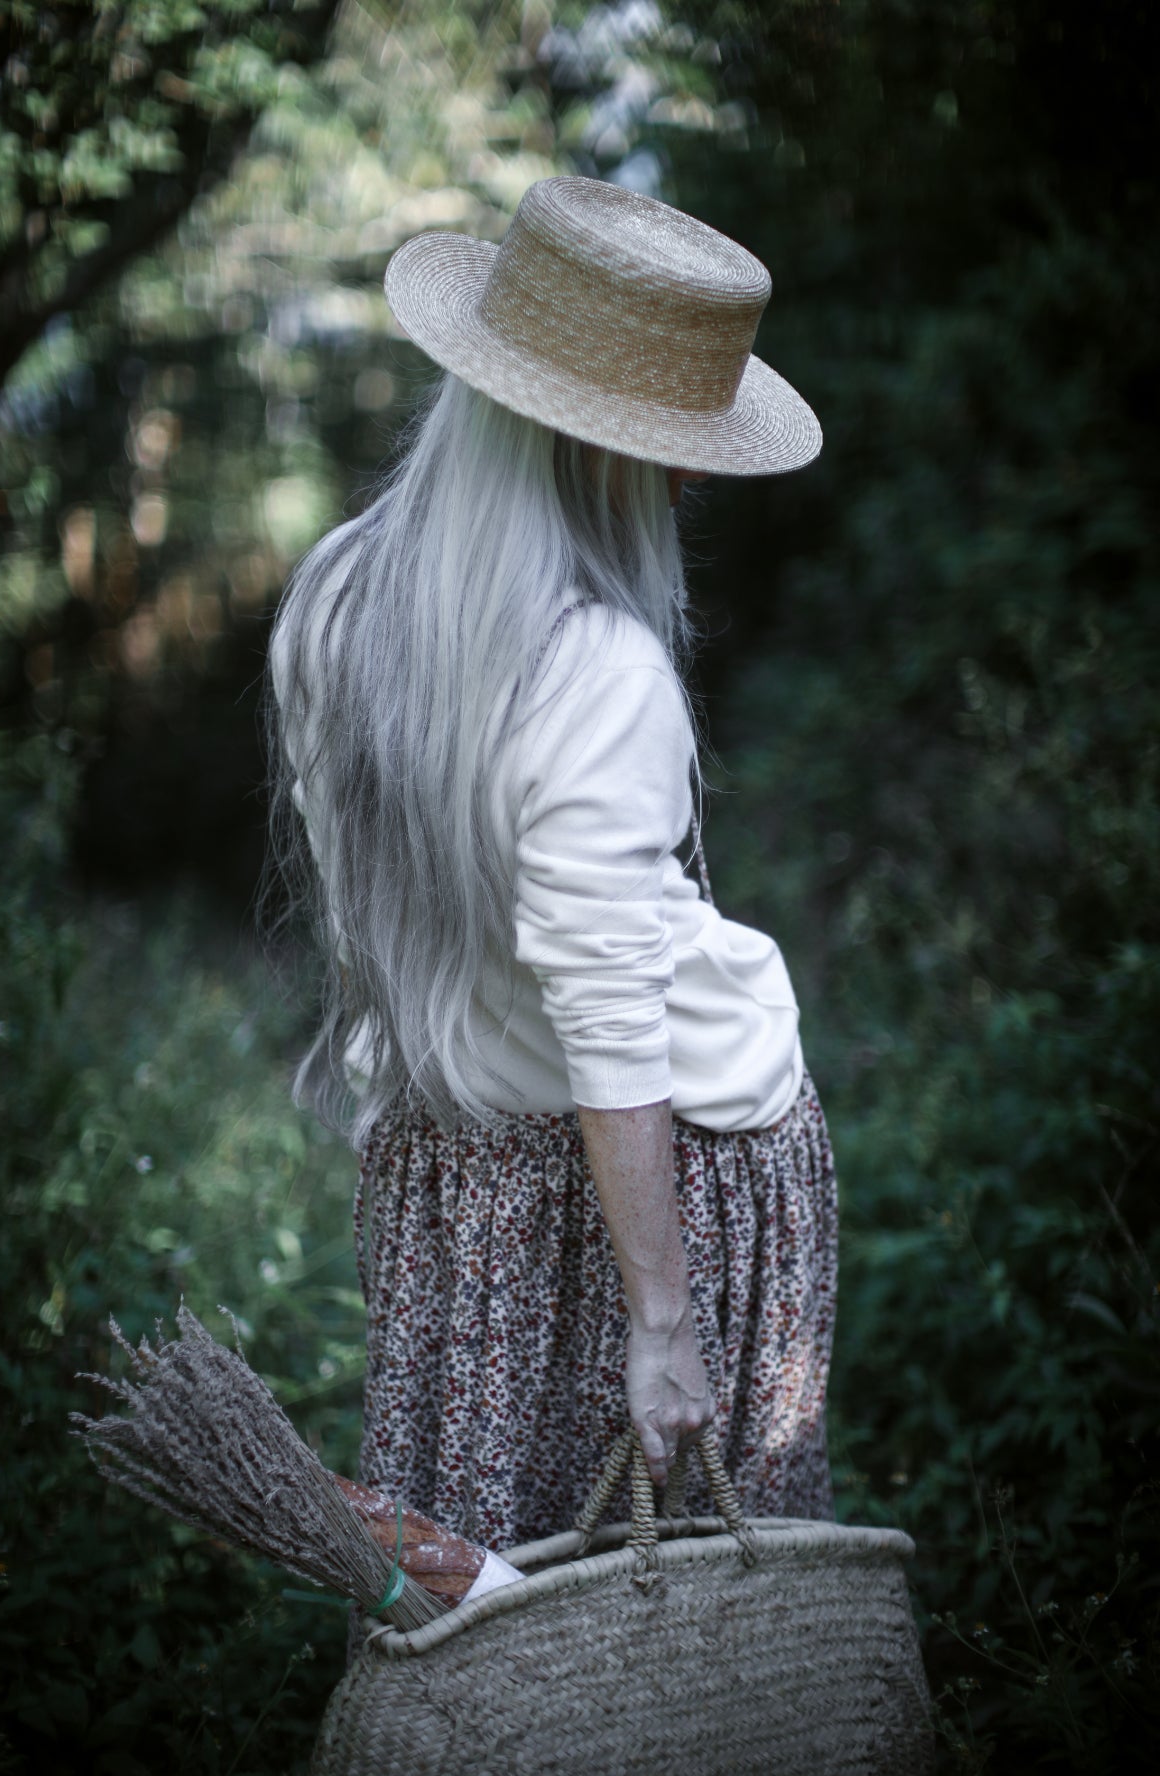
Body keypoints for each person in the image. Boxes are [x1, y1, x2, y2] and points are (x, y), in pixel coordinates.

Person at [267, 175, 837, 1554]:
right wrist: (664, 1321)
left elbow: (375, 923)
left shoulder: (337, 597)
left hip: (459, 1169)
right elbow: (611, 1014)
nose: (694, 478)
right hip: (674, 1181)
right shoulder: (600, 670)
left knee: (489, 1606)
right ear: (593, 445)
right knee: (688, 1616)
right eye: (674, 445)